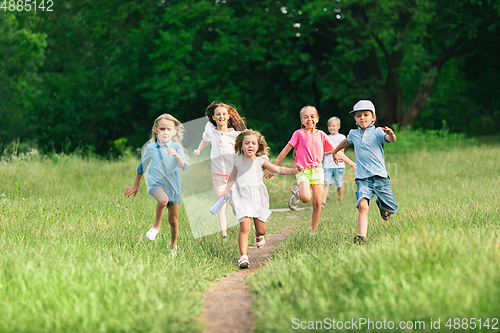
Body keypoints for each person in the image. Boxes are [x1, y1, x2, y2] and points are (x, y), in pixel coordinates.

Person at [264, 106, 352, 234]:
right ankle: (297, 192)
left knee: (317, 203)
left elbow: (336, 151)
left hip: (318, 171)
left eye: (312, 116)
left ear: (317, 119)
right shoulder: (298, 134)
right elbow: (285, 150)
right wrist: (274, 168)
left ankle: (313, 231)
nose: (309, 119)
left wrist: (352, 164)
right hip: (302, 170)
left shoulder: (322, 135)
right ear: (302, 121)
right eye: (305, 117)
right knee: (305, 198)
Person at [221, 129, 302, 268]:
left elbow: (278, 169)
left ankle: (258, 235)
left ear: (258, 146)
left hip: (258, 197)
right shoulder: (237, 159)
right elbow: (232, 176)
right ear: (241, 145)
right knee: (244, 227)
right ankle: (243, 256)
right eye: (247, 143)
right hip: (241, 196)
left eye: (253, 143)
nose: (250, 146)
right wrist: (226, 190)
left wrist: (293, 171)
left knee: (262, 229)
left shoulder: (261, 161)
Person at [331, 100, 398, 244]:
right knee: (362, 206)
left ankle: (383, 206)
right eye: (359, 115)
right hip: (362, 178)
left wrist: (391, 134)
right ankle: (362, 237)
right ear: (355, 118)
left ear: (373, 117)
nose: (362, 118)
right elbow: (346, 142)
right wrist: (335, 152)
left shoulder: (378, 132)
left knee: (392, 209)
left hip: (380, 177)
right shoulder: (353, 134)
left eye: (366, 115)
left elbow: (391, 140)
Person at [124, 114, 189, 257]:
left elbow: (184, 166)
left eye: (169, 129)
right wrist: (136, 185)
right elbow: (142, 166)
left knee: (173, 221)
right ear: (156, 130)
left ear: (174, 131)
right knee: (162, 200)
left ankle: (173, 245)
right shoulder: (151, 148)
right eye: (162, 128)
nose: (165, 132)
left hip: (173, 187)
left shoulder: (176, 147)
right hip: (156, 184)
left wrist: (177, 156)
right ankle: (156, 226)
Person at [193, 102, 246, 239]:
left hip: (232, 175)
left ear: (228, 116)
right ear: (214, 117)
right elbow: (205, 139)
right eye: (218, 114)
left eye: (224, 114)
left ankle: (241, 221)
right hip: (218, 174)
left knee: (234, 202)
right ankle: (224, 235)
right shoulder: (210, 130)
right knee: (221, 202)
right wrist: (198, 149)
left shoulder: (236, 135)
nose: (221, 116)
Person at [322, 117, 355, 205]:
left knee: (339, 183)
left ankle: (340, 198)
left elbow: (341, 150)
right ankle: (323, 201)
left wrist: (332, 151)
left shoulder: (341, 137)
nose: (331, 128)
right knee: (326, 183)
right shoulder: (326, 137)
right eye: (329, 126)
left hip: (339, 165)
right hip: (327, 165)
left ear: (338, 126)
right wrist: (331, 150)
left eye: (333, 126)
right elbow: (323, 150)